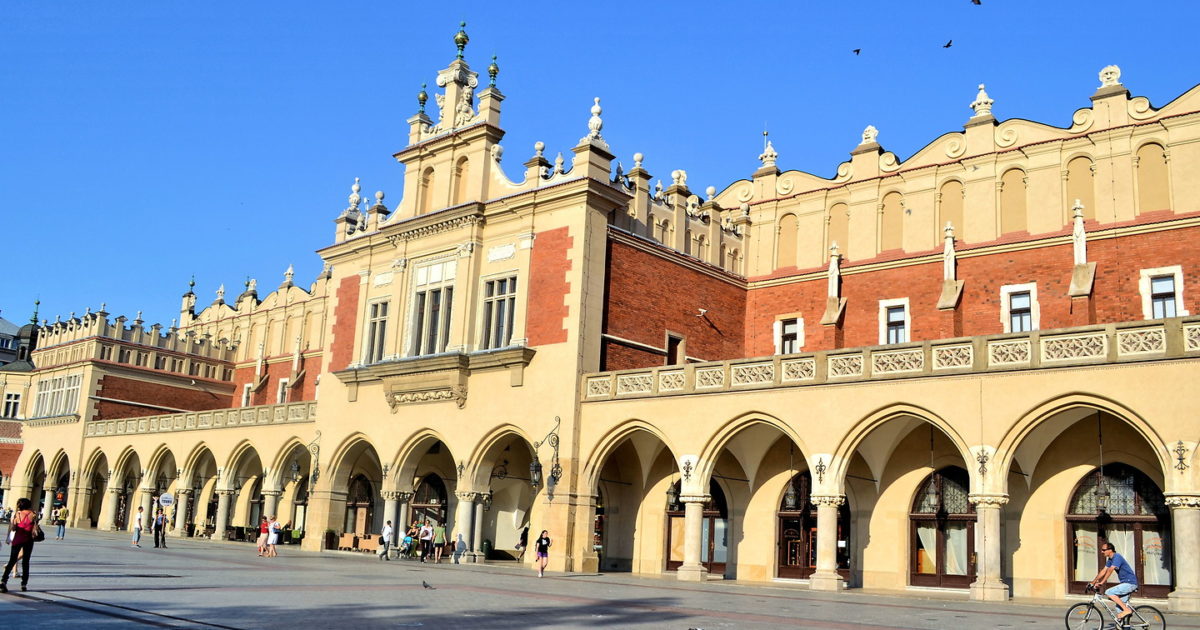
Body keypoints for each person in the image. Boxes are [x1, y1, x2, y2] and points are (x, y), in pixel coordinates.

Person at [1091, 541, 1138, 621]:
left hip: (1130, 583)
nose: (1102, 552)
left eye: (1103, 550)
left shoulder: (1117, 557)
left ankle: (1127, 610)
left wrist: (1102, 582)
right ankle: (1124, 626)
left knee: (1109, 592)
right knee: (1119, 609)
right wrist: (1093, 581)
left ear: (1110, 550)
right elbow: (1104, 570)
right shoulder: (1110, 560)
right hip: (1125, 583)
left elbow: (1110, 570)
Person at [1, 497, 38, 592]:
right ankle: (24, 584)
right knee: (26, 562)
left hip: (17, 540)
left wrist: (8, 538)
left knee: (12, 560)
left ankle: (3, 581)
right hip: (29, 540)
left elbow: (13, 528)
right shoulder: (33, 514)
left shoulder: (16, 514)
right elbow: (35, 526)